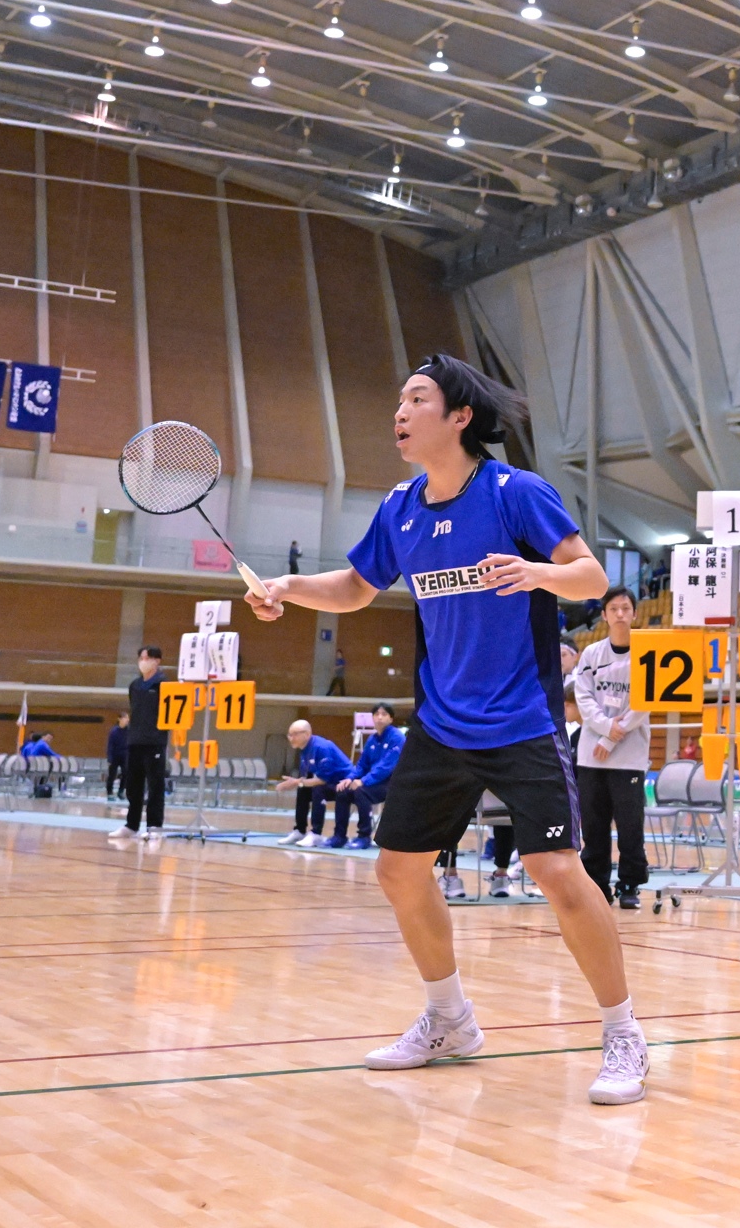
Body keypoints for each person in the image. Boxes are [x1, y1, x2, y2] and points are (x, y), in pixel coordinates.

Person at [246, 352, 646, 1103]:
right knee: (398, 869)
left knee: (557, 871)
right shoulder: (401, 507)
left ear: (460, 416)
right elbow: (358, 586)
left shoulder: (514, 492)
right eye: (400, 400)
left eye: (418, 398)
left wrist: (538, 574)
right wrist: (290, 588)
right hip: (442, 722)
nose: (400, 412)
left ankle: (623, 1032)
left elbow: (591, 576)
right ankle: (449, 1019)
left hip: (521, 718)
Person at [573, 587, 649, 909]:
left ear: (635, 613)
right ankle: (596, 885)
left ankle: (630, 884)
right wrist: (605, 728)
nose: (620, 613)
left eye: (625, 608)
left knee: (630, 826)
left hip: (629, 757)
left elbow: (645, 701)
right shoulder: (591, 654)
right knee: (593, 826)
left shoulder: (646, 653)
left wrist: (611, 737)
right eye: (614, 608)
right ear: (603, 615)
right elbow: (584, 698)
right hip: (592, 758)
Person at [109, 647, 170, 844]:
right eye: (141, 658)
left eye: (147, 658)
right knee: (133, 786)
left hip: (154, 742)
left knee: (155, 786)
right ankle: (131, 825)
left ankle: (154, 827)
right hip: (134, 741)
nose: (143, 661)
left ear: (157, 661)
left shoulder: (164, 685)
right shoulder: (134, 686)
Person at [330, 704, 405, 849]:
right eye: (376, 714)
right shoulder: (372, 739)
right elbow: (362, 765)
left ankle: (364, 836)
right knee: (342, 791)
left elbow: (386, 767)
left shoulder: (397, 738)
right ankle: (339, 836)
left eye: (384, 714)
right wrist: (350, 778)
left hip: (392, 783)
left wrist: (363, 781)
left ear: (391, 718)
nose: (380, 717)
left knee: (361, 792)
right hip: (372, 782)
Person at [276, 720, 355, 843]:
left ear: (307, 734)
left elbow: (323, 780)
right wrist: (296, 783)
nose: (291, 738)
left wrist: (296, 782)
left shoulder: (321, 747)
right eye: (289, 735)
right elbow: (306, 777)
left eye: (295, 734)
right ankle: (300, 831)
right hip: (331, 783)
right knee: (303, 789)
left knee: (318, 789)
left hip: (347, 784)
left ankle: (316, 833)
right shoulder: (304, 749)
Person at [105, 713, 128, 801]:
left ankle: (121, 791)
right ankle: (110, 793)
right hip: (115, 756)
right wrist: (109, 758)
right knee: (112, 775)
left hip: (125, 756)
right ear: (119, 719)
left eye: (127, 718)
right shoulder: (114, 731)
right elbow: (110, 745)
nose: (127, 720)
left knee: (125, 774)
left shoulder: (129, 731)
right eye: (125, 718)